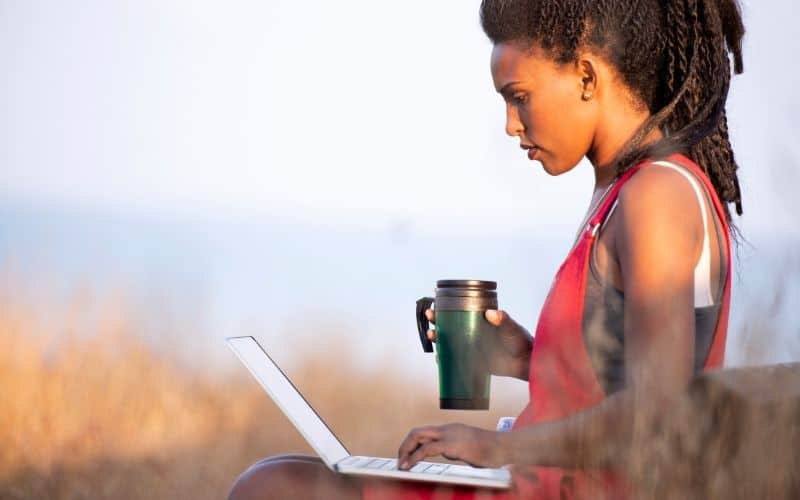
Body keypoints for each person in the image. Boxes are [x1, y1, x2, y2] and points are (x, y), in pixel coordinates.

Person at [228, 0, 745, 498]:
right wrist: (534, 360)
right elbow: (620, 381)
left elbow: (658, 414)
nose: (510, 123)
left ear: (587, 77)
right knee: (274, 477)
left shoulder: (658, 195)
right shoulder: (622, 190)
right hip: (542, 483)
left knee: (271, 489)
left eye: (519, 95)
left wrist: (499, 446)